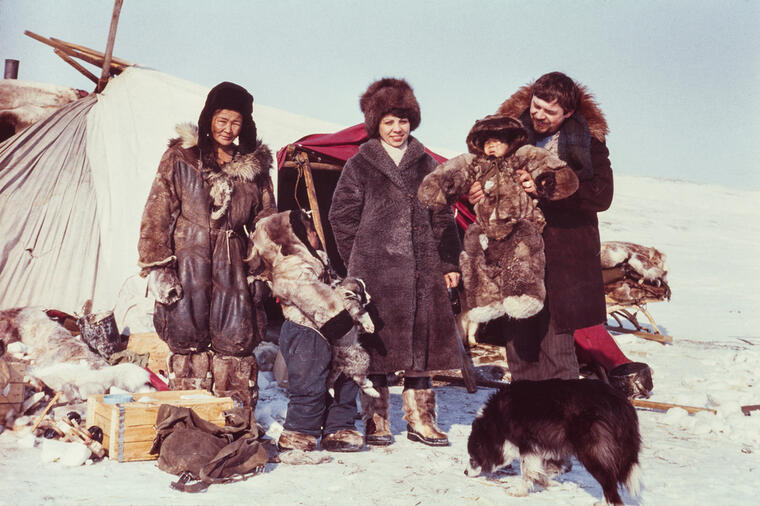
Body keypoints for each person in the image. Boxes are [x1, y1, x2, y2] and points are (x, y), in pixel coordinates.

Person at [329, 78, 462, 447]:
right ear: (376, 124)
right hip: (375, 272)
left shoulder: (428, 165)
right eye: (389, 121)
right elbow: (341, 216)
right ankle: (377, 420)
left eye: (403, 120)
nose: (397, 128)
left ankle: (421, 419)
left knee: (422, 346)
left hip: (422, 271)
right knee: (377, 346)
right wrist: (356, 259)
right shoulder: (359, 165)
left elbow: (443, 218)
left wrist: (449, 262)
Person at [137, 82, 276, 408]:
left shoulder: (254, 167)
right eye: (222, 120)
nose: (228, 129)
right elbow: (157, 214)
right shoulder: (181, 157)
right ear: (209, 117)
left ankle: (233, 424)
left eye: (236, 123)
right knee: (187, 344)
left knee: (236, 344)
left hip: (234, 266)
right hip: (189, 262)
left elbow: (266, 221)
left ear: (246, 125)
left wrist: (262, 270)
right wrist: (158, 267)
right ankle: (187, 422)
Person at [468, 71, 614, 381]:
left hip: (563, 260)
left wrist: (546, 188)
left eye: (550, 111)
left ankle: (563, 424)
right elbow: (482, 177)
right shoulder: (505, 137)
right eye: (536, 106)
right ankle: (528, 422)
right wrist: (479, 191)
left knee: (557, 351)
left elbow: (602, 195)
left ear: (569, 113)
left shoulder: (588, 143)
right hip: (515, 255)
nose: (539, 115)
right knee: (519, 349)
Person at [418, 113, 578, 335]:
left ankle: (525, 294)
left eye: (497, 141)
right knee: (473, 247)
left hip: (518, 222)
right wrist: (439, 187)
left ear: (511, 140)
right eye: (486, 142)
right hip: (487, 227)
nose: (491, 146)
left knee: (523, 250)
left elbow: (552, 169)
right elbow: (455, 170)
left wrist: (545, 181)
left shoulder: (523, 156)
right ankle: (485, 300)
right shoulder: (475, 163)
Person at [247, 209, 375, 452]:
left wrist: (352, 290)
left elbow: (332, 285)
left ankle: (338, 427)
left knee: (345, 376)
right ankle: (300, 431)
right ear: (291, 238)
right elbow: (310, 293)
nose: (316, 235)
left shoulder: (317, 259)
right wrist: (341, 319)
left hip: (328, 330)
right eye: (310, 231)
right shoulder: (290, 265)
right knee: (309, 384)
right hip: (305, 333)